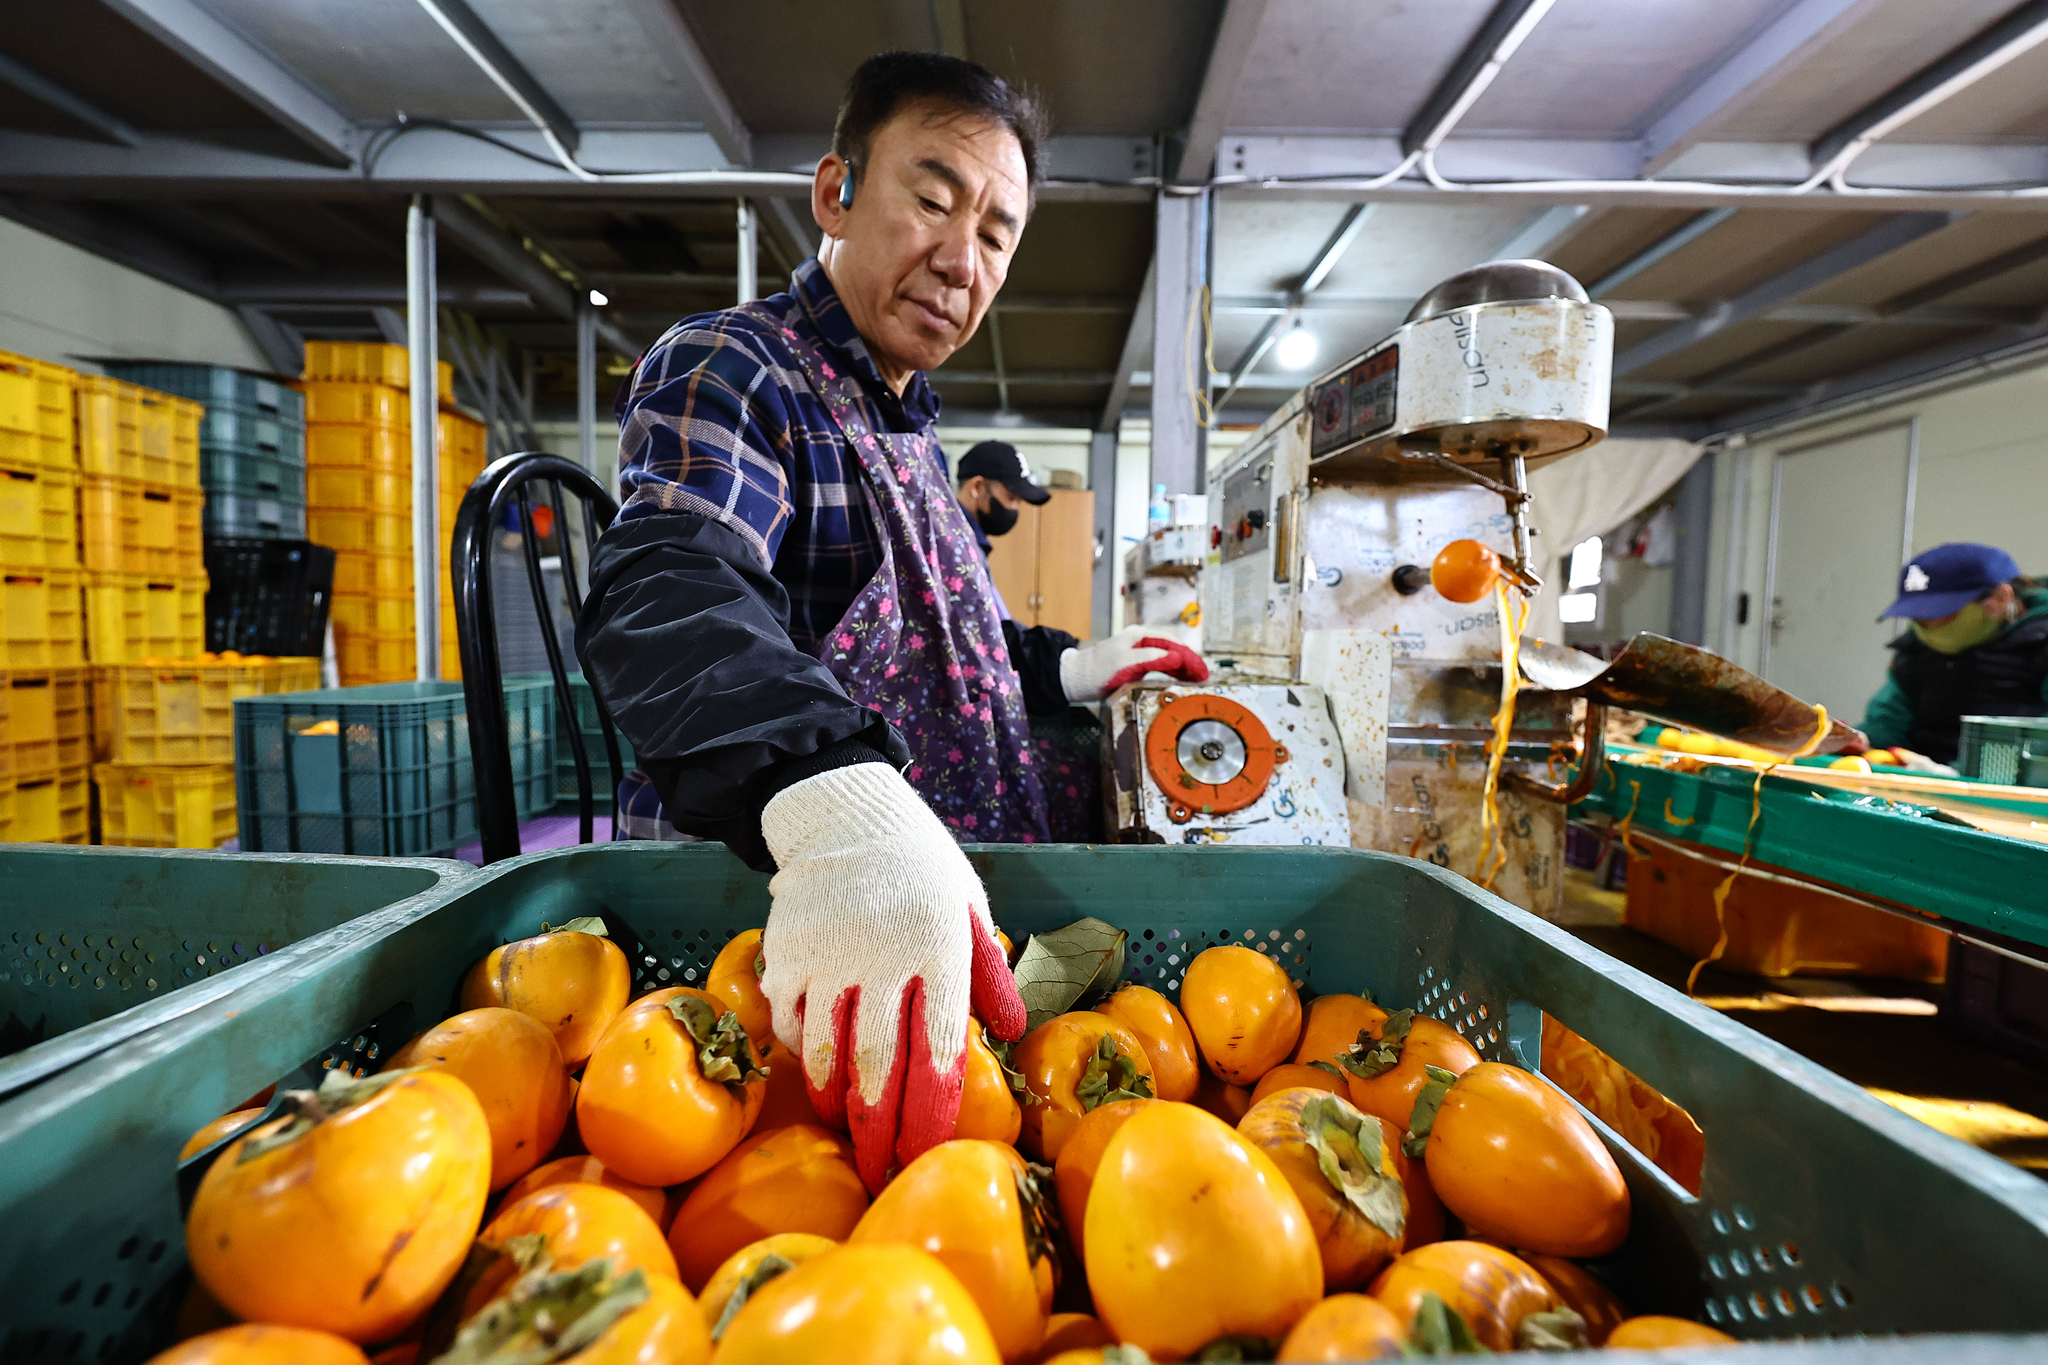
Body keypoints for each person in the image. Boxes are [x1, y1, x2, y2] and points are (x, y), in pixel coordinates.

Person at [575, 51, 1206, 1191]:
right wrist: (832, 803)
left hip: (938, 921)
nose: (962, 258)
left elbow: (949, 648)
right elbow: (671, 583)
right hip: (788, 927)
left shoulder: (912, 427)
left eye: (999, 235)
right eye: (930, 199)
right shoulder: (736, 370)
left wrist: (1070, 670)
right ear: (834, 195)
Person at [1861, 542, 2048, 765]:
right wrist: (1855, 742)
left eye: (1942, 612)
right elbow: (1887, 722)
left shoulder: (2041, 645)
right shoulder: (1915, 652)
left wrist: (1957, 776)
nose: (1929, 626)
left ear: (2000, 598)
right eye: (1918, 616)